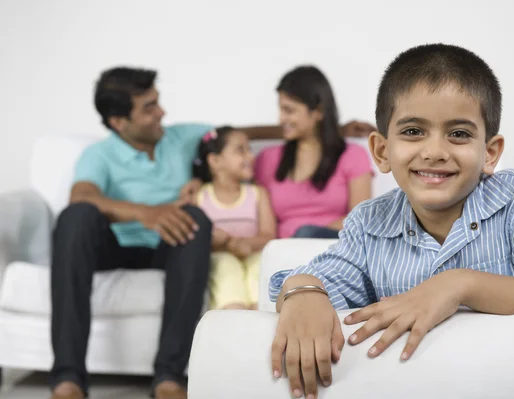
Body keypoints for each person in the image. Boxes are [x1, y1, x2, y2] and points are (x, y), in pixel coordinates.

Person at [268, 44, 514, 399]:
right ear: (382, 151)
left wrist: (459, 285)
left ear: (490, 153)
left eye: (458, 134)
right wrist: (302, 291)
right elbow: (322, 281)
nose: (435, 151)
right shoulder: (368, 223)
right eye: (413, 131)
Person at [49, 66, 373, 399]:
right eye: (149, 108)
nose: (162, 112)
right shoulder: (98, 156)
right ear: (119, 122)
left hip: (172, 245)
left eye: (157, 102)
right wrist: (147, 213)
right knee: (76, 216)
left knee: (194, 217)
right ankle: (67, 377)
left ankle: (168, 376)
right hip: (115, 245)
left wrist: (330, 128)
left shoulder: (180, 137)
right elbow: (82, 195)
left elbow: (240, 133)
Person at [254, 66, 373, 239]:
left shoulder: (352, 155)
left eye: (289, 110)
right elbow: (264, 229)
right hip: (283, 255)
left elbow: (361, 219)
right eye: (280, 109)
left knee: (306, 233)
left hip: (335, 250)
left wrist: (309, 237)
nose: (281, 118)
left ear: (318, 112)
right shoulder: (267, 159)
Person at [193, 126, 276, 310]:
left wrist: (246, 244)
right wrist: (220, 241)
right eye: (241, 150)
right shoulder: (200, 196)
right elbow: (193, 238)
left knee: (258, 266)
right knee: (225, 265)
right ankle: (233, 311)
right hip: (220, 256)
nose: (250, 156)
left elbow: (268, 235)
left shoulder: (257, 193)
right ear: (215, 160)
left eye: (249, 150)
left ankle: (261, 313)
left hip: (252, 254)